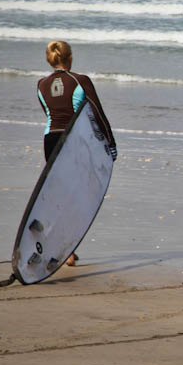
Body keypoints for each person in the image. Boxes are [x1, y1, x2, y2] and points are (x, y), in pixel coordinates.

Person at [37, 40, 117, 267]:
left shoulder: (41, 84)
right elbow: (98, 114)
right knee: (76, 196)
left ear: (49, 60)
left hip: (50, 139)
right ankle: (68, 251)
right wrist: (111, 145)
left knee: (59, 194)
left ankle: (59, 246)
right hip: (72, 141)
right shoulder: (80, 81)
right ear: (70, 58)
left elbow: (49, 114)